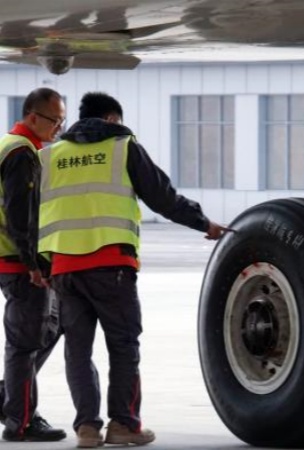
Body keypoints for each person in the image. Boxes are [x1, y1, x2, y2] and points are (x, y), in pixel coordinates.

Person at [38, 92, 229, 448]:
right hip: (111, 266)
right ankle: (124, 424)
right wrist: (204, 223)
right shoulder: (122, 146)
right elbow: (162, 196)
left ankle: (87, 429)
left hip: (63, 268)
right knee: (123, 346)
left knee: (77, 351)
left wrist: (43, 265)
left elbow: (30, 213)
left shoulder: (49, 155)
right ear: (112, 119)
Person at [0, 87, 66, 442]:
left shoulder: (10, 145)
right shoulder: (22, 153)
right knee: (25, 344)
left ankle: (10, 399)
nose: (58, 127)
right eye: (54, 120)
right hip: (18, 260)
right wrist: (33, 263)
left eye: (61, 120)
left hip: (10, 257)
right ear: (32, 117)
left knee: (50, 325)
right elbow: (19, 214)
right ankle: (21, 421)